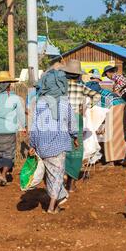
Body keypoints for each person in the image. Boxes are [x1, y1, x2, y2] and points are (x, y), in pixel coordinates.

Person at [29, 70, 78, 214]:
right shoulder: (64, 103)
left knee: (49, 175)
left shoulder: (39, 103)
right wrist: (75, 137)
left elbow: (35, 126)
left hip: (42, 146)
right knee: (57, 176)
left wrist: (32, 144)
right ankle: (51, 206)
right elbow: (72, 123)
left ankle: (56, 201)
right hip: (58, 145)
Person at [62, 60, 101, 191]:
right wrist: (86, 107)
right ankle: (71, 182)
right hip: (75, 118)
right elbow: (96, 96)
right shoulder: (80, 87)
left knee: (61, 148)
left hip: (61, 119)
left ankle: (61, 178)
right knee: (76, 150)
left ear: (66, 73)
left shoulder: (60, 87)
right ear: (78, 75)